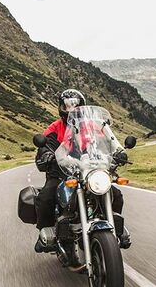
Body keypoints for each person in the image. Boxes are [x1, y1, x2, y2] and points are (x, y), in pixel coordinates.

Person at [34, 89, 130, 252]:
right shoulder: (54, 128)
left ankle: (113, 229)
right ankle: (46, 234)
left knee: (117, 195)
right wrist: (46, 155)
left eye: (75, 105)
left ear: (83, 107)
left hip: (90, 172)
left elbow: (109, 141)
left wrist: (118, 152)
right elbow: (44, 148)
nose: (71, 109)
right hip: (62, 173)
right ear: (60, 108)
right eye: (67, 105)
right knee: (46, 197)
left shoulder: (94, 126)